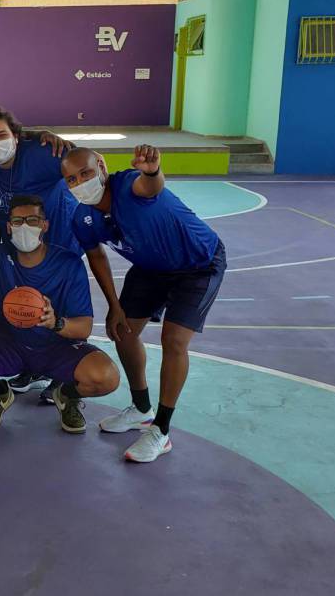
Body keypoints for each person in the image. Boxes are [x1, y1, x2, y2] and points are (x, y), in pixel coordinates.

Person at [63, 146, 225, 462]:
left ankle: (161, 430)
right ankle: (141, 410)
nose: (80, 182)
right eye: (71, 179)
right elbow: (97, 257)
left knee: (174, 341)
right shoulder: (83, 218)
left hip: (198, 263)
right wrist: (114, 305)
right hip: (151, 268)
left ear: (101, 166)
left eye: (85, 173)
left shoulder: (128, 186)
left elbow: (149, 186)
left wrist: (152, 171)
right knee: (122, 331)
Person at [0, 184, 120, 433]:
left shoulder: (68, 264)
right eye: (17, 221)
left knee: (106, 376)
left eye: (32, 220)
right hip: (11, 343)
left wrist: (56, 322)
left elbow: (84, 327)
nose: (25, 226)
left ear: (45, 225)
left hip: (58, 347)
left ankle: (66, 395)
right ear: (9, 227)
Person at [0, 106, 83, 398]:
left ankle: (63, 376)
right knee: (28, 305)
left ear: (16, 137)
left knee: (60, 308)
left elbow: (79, 160)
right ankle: (34, 367)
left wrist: (44, 137)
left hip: (59, 242)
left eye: (2, 135)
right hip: (22, 248)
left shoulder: (39, 155)